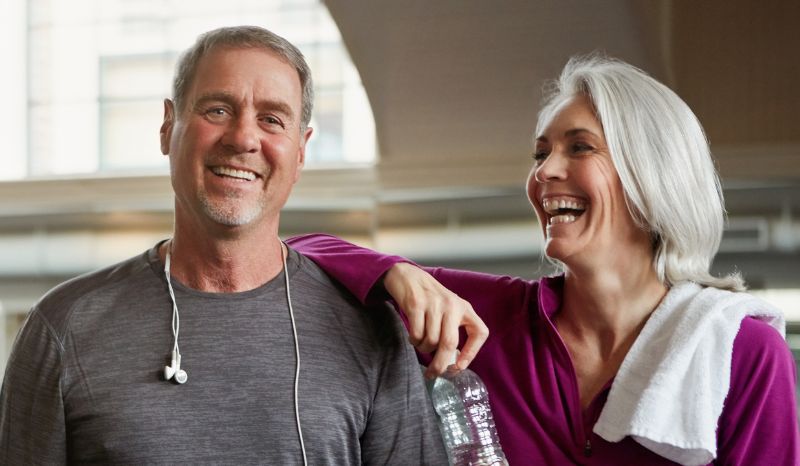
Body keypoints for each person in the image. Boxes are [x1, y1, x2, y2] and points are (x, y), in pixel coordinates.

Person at [288, 55, 800, 465]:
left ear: (651, 175)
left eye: (579, 148)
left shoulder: (739, 352)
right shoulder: (483, 317)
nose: (546, 171)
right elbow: (299, 254)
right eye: (540, 153)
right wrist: (396, 273)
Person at [0, 26, 447, 465]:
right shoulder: (64, 326)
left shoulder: (369, 327)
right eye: (216, 110)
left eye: (272, 119)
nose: (243, 139)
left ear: (301, 151)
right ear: (167, 126)